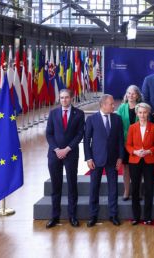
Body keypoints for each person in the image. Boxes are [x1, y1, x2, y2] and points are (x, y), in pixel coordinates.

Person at [45, 89, 85, 228]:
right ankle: (55, 217)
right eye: (62, 98)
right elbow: (49, 134)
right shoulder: (53, 113)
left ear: (71, 98)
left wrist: (67, 149)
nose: (64, 100)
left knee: (72, 186)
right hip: (54, 154)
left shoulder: (79, 114)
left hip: (71, 154)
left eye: (66, 97)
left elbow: (80, 134)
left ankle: (72, 216)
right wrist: (57, 149)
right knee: (56, 187)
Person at [84, 94, 124, 227]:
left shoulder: (117, 119)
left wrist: (120, 157)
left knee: (113, 188)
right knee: (94, 188)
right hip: (96, 160)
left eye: (113, 104)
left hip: (113, 159)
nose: (114, 106)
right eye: (111, 104)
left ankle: (113, 215)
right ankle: (93, 216)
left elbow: (120, 140)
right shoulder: (91, 119)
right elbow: (86, 141)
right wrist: (88, 158)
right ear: (103, 105)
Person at [125, 103, 154, 225]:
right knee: (135, 189)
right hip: (135, 161)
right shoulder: (132, 127)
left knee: (149, 189)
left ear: (148, 113)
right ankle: (136, 217)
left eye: (145, 112)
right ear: (137, 113)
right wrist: (135, 152)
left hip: (149, 161)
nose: (142, 115)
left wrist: (149, 151)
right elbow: (128, 145)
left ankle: (147, 217)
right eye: (140, 112)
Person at [116, 85, 142, 201]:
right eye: (129, 93)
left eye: (133, 93)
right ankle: (126, 190)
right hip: (125, 142)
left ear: (137, 95)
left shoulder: (141, 107)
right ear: (126, 94)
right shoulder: (122, 107)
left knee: (138, 168)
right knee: (126, 167)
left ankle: (138, 191)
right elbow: (117, 125)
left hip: (139, 142)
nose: (131, 95)